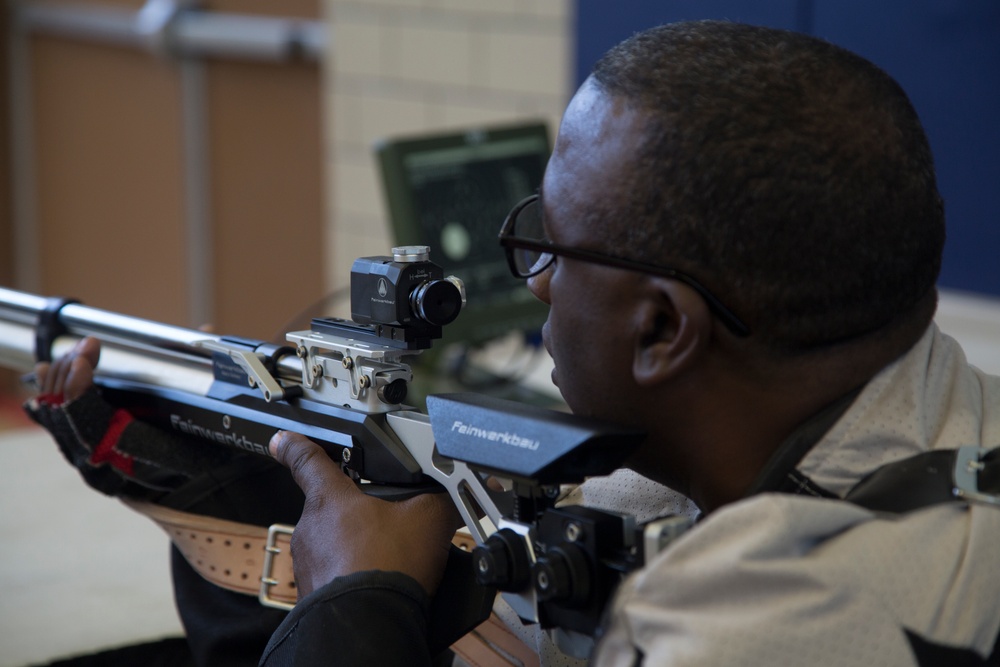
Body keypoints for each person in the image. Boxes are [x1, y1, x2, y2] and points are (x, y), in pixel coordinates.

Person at [28, 19, 1000, 667]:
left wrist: (356, 603)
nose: (533, 283)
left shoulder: (753, 628)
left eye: (549, 248)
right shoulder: (965, 426)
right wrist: (219, 482)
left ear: (660, 327)